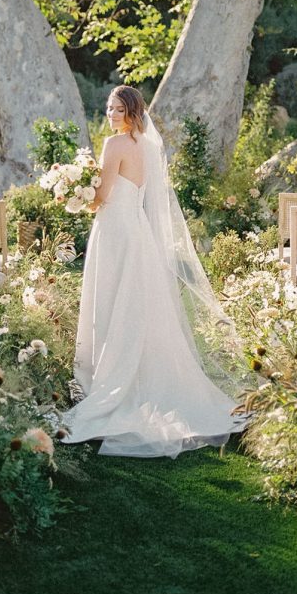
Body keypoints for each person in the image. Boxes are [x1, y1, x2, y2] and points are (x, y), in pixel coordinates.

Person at [62, 85, 247, 458]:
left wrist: (74, 194)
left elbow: (102, 196)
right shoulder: (146, 146)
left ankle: (110, 379)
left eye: (118, 109)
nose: (111, 115)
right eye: (109, 108)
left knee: (112, 299)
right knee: (134, 305)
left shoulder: (114, 145)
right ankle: (134, 373)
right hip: (136, 230)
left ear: (132, 112)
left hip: (114, 230)